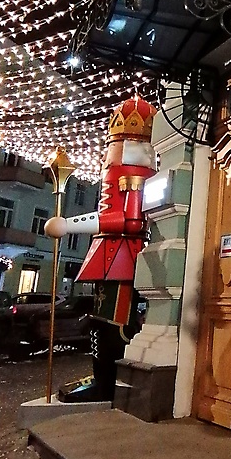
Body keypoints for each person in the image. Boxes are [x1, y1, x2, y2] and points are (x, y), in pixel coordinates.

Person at [45, 93, 157, 401]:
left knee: (112, 323)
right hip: (109, 253)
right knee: (102, 320)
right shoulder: (123, 168)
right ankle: (101, 378)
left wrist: (70, 224)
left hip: (123, 255)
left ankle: (106, 382)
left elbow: (129, 221)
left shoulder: (135, 174)